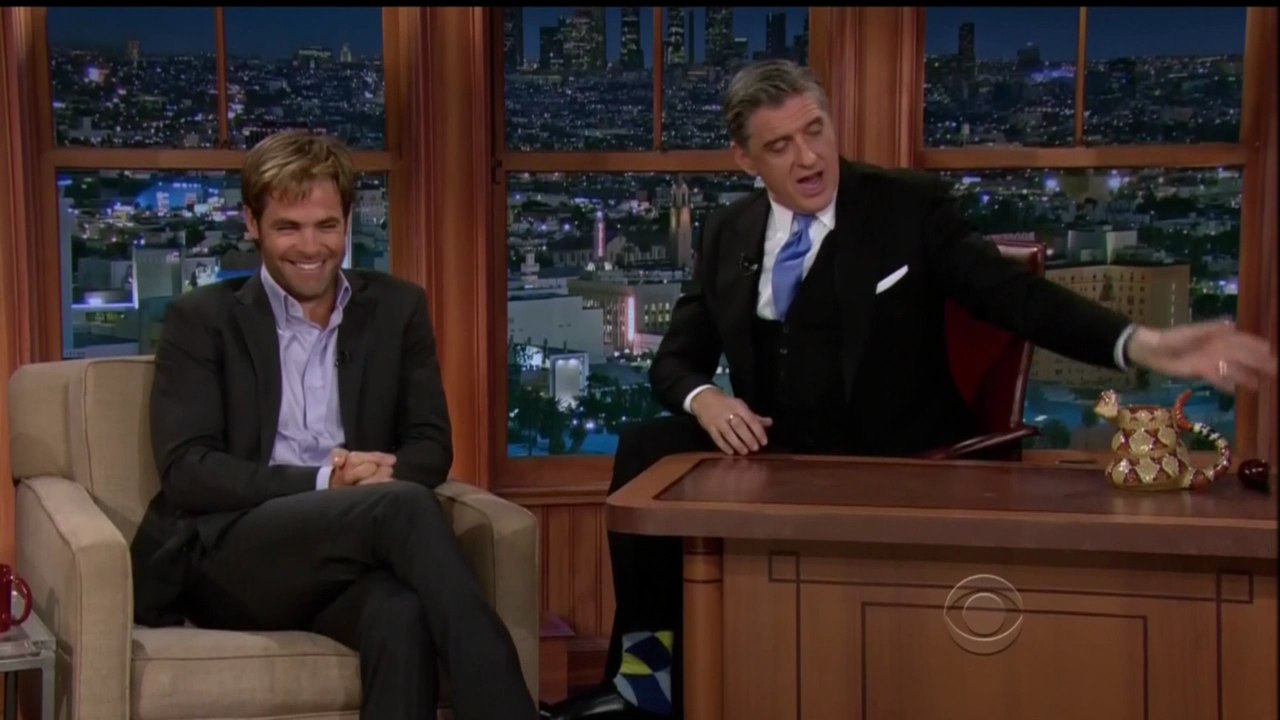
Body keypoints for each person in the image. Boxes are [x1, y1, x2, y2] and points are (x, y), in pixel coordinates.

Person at [542, 59, 1276, 720]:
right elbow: (675, 362)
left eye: (816, 131)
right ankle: (647, 686)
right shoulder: (729, 230)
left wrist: (1140, 343)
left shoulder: (905, 207)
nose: (808, 157)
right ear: (745, 158)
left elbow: (1013, 298)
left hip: (893, 453)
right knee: (644, 451)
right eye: (781, 145)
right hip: (776, 450)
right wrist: (707, 400)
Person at [129, 130, 539, 720]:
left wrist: (375, 473)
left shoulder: (397, 309)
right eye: (288, 227)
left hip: (344, 557)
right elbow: (189, 472)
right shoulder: (202, 321)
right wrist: (328, 483)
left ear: (348, 222)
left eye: (326, 225)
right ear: (252, 224)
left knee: (402, 614)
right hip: (231, 557)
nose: (310, 246)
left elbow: (430, 445)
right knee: (402, 507)